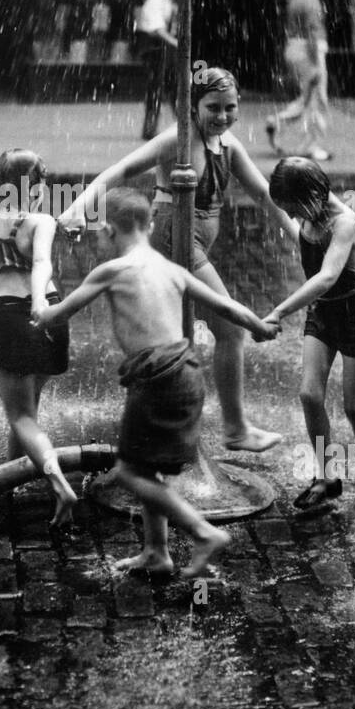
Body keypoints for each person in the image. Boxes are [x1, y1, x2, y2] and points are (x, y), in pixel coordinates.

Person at [35, 188, 278, 577]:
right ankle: (156, 553)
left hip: (156, 377)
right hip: (187, 374)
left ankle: (202, 532)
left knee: (130, 472)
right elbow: (228, 308)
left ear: (110, 231)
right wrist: (260, 327)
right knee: (150, 468)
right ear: (149, 225)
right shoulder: (173, 270)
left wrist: (38, 311)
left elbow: (61, 313)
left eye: (99, 232)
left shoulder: (112, 271)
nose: (99, 238)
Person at [58, 66, 296, 452]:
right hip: (177, 237)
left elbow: (265, 195)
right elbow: (122, 168)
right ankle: (235, 429)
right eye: (212, 107)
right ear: (192, 106)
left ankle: (163, 414)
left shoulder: (228, 144)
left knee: (180, 331)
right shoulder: (178, 140)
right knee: (230, 329)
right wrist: (77, 208)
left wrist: (298, 233)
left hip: (196, 240)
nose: (222, 116)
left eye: (229, 108)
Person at [262, 158, 355, 514]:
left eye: (296, 209)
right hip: (323, 313)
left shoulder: (344, 223)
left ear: (314, 194)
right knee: (309, 394)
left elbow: (328, 276)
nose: (295, 218)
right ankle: (326, 477)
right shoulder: (309, 211)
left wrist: (279, 310)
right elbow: (272, 203)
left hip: (354, 313)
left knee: (354, 405)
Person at [0, 149, 77, 527]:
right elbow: (42, 264)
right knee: (27, 415)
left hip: (11, 316)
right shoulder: (43, 220)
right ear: (36, 185)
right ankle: (12, 479)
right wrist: (39, 299)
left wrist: (30, 298)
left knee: (20, 416)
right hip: (51, 314)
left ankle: (57, 482)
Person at [267, 0, 333, 162]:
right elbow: (312, 30)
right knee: (316, 99)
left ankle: (277, 122)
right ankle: (311, 147)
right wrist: (315, 63)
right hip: (308, 50)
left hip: (293, 47)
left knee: (307, 97)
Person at [134, 0, 179, 141]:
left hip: (164, 48)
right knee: (155, 87)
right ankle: (150, 128)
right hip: (153, 47)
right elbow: (157, 30)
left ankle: (182, 123)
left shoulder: (170, 0)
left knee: (174, 84)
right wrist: (175, 42)